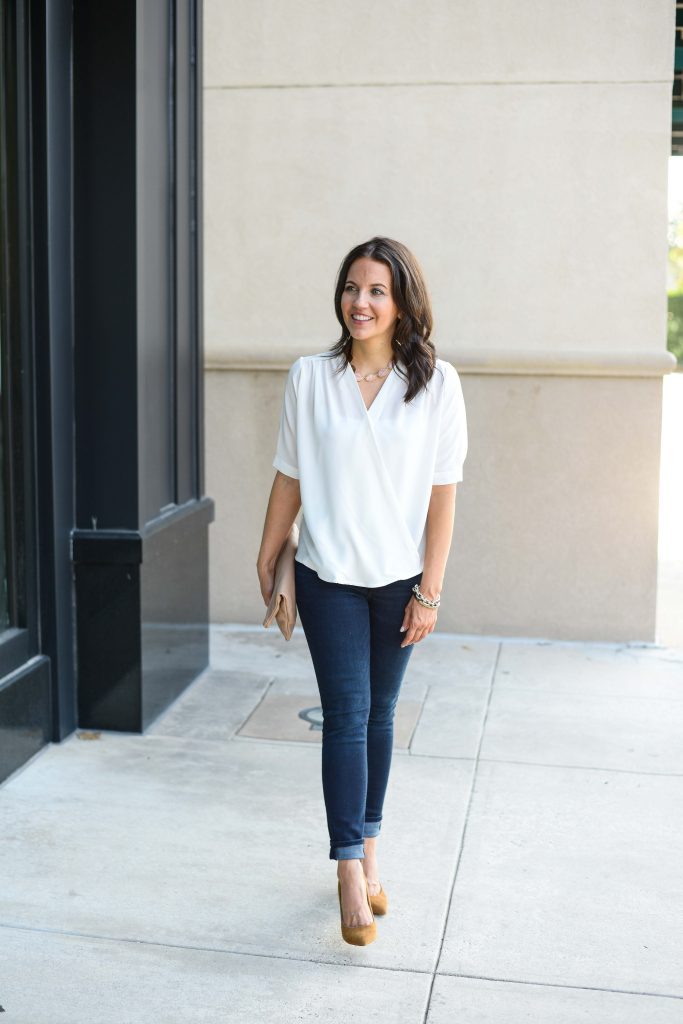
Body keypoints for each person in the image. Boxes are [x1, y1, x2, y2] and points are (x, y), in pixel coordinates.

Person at [256, 236, 468, 946]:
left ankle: (370, 849)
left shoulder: (437, 383)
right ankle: (349, 867)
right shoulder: (310, 377)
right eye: (351, 287)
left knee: (380, 715)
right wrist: (267, 551)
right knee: (346, 715)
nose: (360, 302)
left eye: (377, 290)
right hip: (327, 577)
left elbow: (443, 497)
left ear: (403, 301)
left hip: (399, 581)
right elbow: (289, 472)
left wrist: (429, 592)